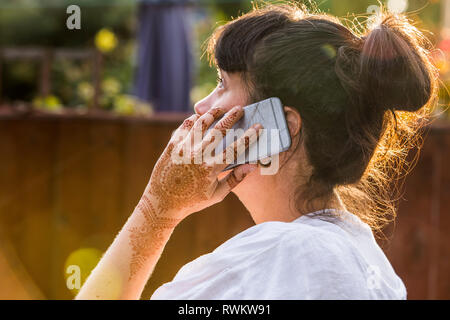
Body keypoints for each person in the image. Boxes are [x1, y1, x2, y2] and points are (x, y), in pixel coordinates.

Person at [75, 3, 437, 300]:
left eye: (222, 84)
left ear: (284, 126)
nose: (202, 105)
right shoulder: (364, 257)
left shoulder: (281, 255)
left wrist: (158, 208)